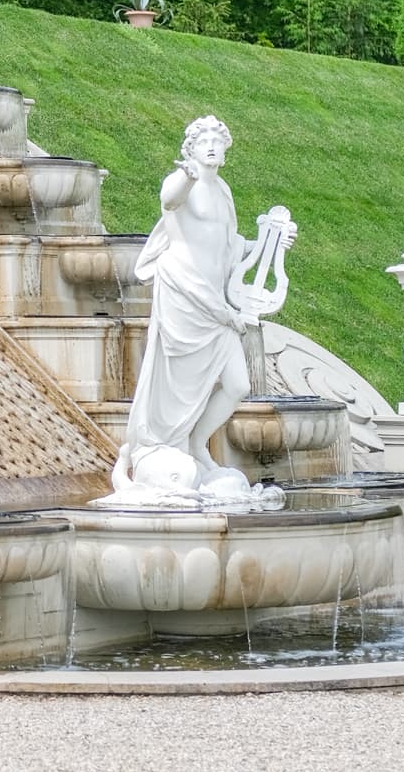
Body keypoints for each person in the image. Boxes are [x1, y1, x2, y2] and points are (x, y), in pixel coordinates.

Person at [110, 115, 293, 499]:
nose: (210, 146)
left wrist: (270, 245)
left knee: (237, 384)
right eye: (202, 141)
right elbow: (168, 199)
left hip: (216, 303)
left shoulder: (223, 190)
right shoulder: (184, 182)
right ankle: (168, 447)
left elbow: (226, 245)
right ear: (190, 149)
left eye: (217, 141)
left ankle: (195, 444)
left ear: (225, 150)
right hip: (186, 297)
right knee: (179, 383)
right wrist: (188, 176)